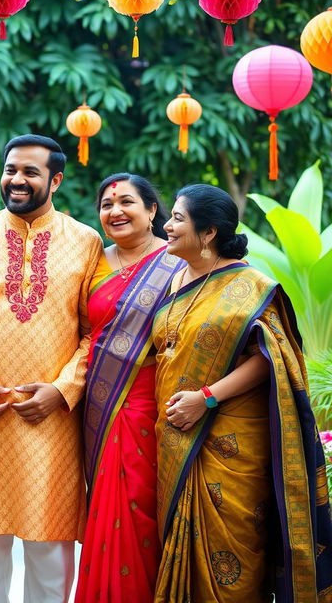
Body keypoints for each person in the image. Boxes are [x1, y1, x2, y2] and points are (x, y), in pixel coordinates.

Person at [152, 184, 332, 602]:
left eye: (178, 218)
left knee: (233, 555)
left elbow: (271, 356)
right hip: (174, 436)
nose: (167, 225)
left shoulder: (250, 284)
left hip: (229, 441)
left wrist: (207, 397)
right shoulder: (173, 277)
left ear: (209, 231)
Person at [0, 134, 104, 602]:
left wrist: (62, 390)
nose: (17, 180)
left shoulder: (85, 241)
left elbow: (92, 331)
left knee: (50, 547)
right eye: (11, 169)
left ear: (55, 180)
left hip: (52, 419)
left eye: (30, 172)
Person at [75, 174, 183, 603]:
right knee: (105, 506)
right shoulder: (93, 262)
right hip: (96, 399)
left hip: (150, 400)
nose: (115, 211)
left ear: (152, 211)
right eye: (106, 204)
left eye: (126, 202)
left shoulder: (177, 263)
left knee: (140, 505)